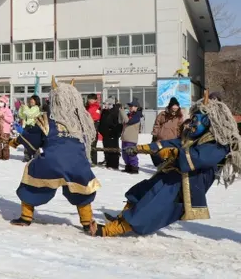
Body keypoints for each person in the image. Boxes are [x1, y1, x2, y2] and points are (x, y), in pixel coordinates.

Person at [89, 92, 241, 237]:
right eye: (193, 118)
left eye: (197, 119)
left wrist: (172, 153)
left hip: (187, 184)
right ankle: (121, 219)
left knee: (151, 205)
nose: (193, 122)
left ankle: (111, 230)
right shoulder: (192, 135)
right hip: (173, 174)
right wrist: (143, 148)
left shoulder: (220, 143)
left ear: (210, 120)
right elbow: (172, 142)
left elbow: (200, 157)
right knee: (141, 191)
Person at [8, 78, 100, 232]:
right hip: (78, 164)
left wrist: (16, 141)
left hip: (52, 162)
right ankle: (86, 221)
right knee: (81, 188)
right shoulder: (81, 122)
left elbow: (33, 139)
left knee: (31, 175)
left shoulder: (47, 120)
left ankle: (26, 216)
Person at [98, 98, 125, 170]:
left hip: (113, 134)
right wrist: (101, 130)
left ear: (111, 105)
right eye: (104, 104)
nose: (105, 105)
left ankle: (114, 165)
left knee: (113, 149)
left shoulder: (116, 111)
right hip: (105, 134)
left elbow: (120, 124)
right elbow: (101, 122)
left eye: (107, 104)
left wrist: (115, 132)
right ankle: (108, 163)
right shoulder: (104, 112)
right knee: (106, 149)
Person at [121, 99, 143, 174]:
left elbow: (129, 122)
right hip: (125, 138)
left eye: (132, 106)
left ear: (136, 107)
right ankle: (128, 166)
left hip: (131, 139)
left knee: (131, 153)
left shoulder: (137, 115)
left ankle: (134, 168)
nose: (130, 107)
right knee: (124, 154)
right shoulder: (129, 115)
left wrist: (122, 111)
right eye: (130, 106)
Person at [18, 95, 42, 162]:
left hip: (34, 128)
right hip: (27, 127)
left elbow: (30, 114)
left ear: (36, 101)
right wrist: (21, 108)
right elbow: (22, 115)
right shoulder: (28, 108)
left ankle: (35, 156)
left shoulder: (36, 108)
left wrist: (25, 107)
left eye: (33, 99)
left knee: (34, 143)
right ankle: (27, 156)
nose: (31, 101)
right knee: (26, 142)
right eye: (30, 99)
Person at [0, 95, 14, 160]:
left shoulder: (8, 110)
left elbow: (11, 120)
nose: (0, 103)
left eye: (2, 102)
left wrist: (4, 117)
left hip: (6, 130)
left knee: (5, 144)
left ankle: (5, 156)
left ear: (5, 103)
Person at [85, 94, 101, 165]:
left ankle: (94, 161)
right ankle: (88, 160)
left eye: (91, 99)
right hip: (87, 127)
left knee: (93, 144)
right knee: (87, 144)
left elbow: (96, 118)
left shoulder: (97, 107)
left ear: (95, 100)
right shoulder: (87, 107)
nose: (90, 100)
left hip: (93, 126)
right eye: (89, 99)